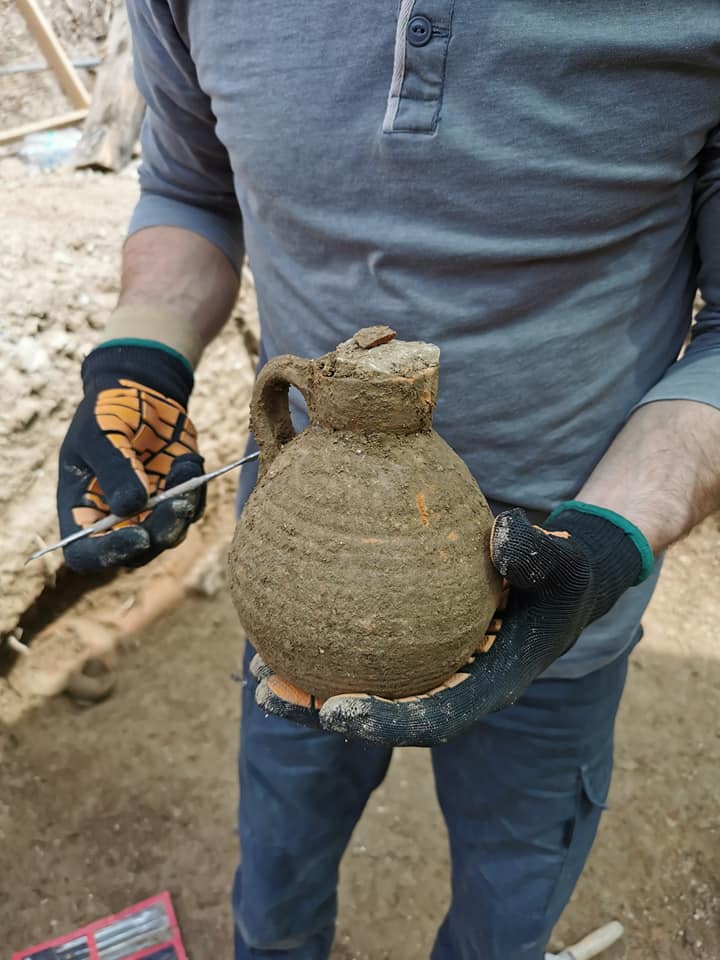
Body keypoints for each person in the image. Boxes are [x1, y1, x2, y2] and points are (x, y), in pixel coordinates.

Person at [56, 4, 720, 958]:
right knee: (275, 902)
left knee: (502, 929)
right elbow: (189, 189)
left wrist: (613, 542)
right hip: (297, 607)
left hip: (564, 606)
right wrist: (139, 359)